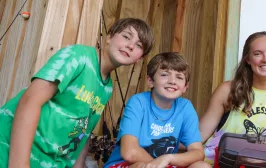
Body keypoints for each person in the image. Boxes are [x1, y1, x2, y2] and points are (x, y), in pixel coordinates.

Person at [0, 18, 154, 167]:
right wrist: (19, 164)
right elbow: (30, 101)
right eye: (126, 37)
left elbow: (84, 129)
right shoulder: (77, 57)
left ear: (139, 59)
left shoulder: (107, 87)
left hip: (49, 161)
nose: (130, 46)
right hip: (9, 152)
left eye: (138, 45)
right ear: (109, 37)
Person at [200, 31, 266, 165]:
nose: (265, 59)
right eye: (257, 53)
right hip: (219, 162)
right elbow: (199, 136)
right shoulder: (228, 90)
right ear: (248, 59)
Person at [104, 52, 209, 168]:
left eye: (179, 77)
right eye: (164, 75)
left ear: (185, 87)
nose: (172, 81)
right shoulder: (138, 102)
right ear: (150, 81)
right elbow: (129, 153)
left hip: (164, 164)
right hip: (127, 165)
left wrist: (169, 158)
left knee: (202, 166)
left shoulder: (185, 107)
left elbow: (198, 153)